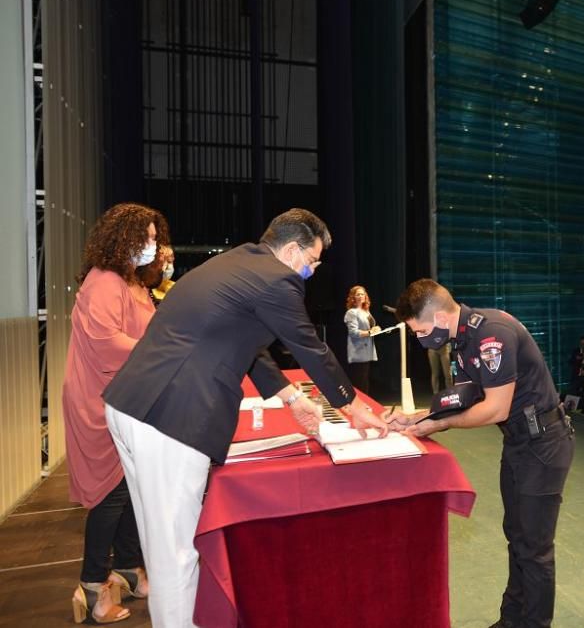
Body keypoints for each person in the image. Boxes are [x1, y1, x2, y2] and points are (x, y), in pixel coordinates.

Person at [102, 209, 387, 626]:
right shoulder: (278, 278)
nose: (312, 270)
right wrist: (353, 406)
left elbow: (248, 345)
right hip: (172, 413)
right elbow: (309, 346)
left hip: (134, 404)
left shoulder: (236, 264)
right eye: (313, 260)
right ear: (292, 250)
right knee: (176, 552)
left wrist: (292, 399)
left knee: (159, 541)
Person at [387, 279, 574, 628]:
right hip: (520, 443)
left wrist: (438, 426)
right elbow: (462, 398)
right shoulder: (463, 338)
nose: (419, 338)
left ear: (441, 318)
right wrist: (416, 418)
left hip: (544, 444)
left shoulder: (492, 336)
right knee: (516, 536)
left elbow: (495, 409)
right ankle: (511, 620)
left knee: (534, 549)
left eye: (420, 331)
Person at [64, 203, 168, 624]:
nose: (152, 245)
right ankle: (92, 586)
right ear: (121, 239)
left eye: (154, 237)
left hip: (127, 398)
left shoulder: (134, 281)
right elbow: (108, 343)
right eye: (145, 237)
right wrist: (162, 351)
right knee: (111, 496)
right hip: (99, 399)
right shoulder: (105, 280)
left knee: (130, 487)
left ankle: (127, 566)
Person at [344, 285, 380, 394]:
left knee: (365, 381)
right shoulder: (351, 313)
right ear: (353, 297)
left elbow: (369, 328)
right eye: (358, 294)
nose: (360, 296)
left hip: (367, 350)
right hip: (358, 351)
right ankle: (359, 406)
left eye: (362, 294)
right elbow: (353, 333)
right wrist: (370, 332)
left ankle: (366, 406)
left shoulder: (366, 311)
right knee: (360, 382)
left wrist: (375, 329)